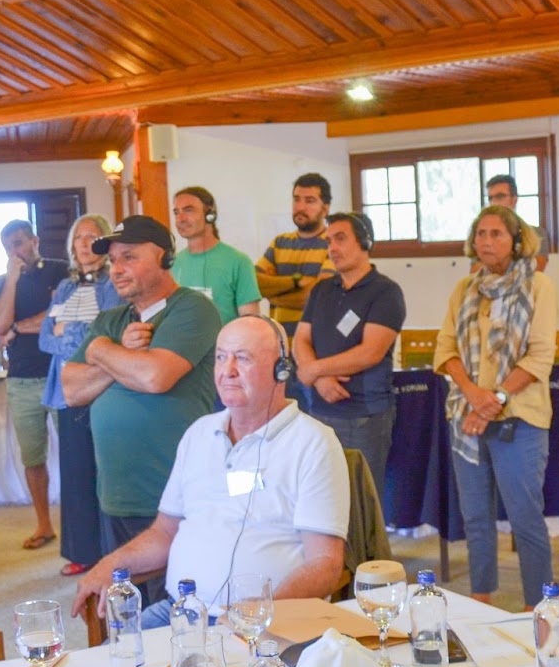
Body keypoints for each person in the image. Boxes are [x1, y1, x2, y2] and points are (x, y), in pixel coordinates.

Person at [71, 315, 348, 626]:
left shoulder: (313, 442)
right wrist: (108, 565)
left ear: (280, 370)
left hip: (267, 623)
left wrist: (256, 616)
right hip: (178, 612)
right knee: (115, 656)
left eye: (242, 358)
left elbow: (325, 564)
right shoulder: (199, 433)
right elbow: (164, 533)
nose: (227, 371)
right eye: (220, 357)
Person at [62, 215, 222, 554]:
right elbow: (71, 390)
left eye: (129, 257)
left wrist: (100, 350)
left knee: (175, 589)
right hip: (115, 496)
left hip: (171, 496)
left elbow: (154, 376)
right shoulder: (111, 320)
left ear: (165, 258)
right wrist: (120, 353)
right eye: (113, 260)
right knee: (122, 587)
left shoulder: (192, 308)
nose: (117, 269)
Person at [435, 205, 557, 608]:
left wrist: (496, 399)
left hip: (521, 417)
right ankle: (480, 603)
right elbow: (445, 350)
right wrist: (474, 395)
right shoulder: (464, 289)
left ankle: (537, 609)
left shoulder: (539, 285)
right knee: (475, 518)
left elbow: (540, 356)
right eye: (481, 234)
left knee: (526, 519)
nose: (486, 241)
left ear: (517, 240)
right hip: (466, 415)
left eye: (496, 234)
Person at [293, 211, 406, 489]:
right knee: (321, 495)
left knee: (360, 500)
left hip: (363, 416)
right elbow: (301, 340)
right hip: (318, 410)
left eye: (340, 239)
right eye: (329, 241)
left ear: (365, 242)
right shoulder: (321, 290)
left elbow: (370, 352)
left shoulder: (386, 292)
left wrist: (313, 370)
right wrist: (319, 380)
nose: (332, 248)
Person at [40, 214, 121, 577]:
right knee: (74, 472)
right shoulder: (63, 287)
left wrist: (68, 332)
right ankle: (82, 551)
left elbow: (106, 334)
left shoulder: (113, 283)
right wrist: (78, 334)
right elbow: (45, 339)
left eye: (92, 236)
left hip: (102, 386)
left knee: (105, 469)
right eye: (79, 237)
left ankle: (111, 550)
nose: (85, 243)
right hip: (65, 391)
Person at [0, 220, 70, 551]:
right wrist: (11, 279)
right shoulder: (2, 282)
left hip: (59, 374)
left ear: (35, 240)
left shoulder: (60, 271)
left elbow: (59, 319)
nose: (15, 251)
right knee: (32, 457)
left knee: (74, 454)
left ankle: (78, 526)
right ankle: (44, 525)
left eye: (19, 243)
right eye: (8, 247)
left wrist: (17, 328)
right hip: (21, 380)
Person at [256, 172, 336, 327]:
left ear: (325, 209)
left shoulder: (332, 244)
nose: (300, 207)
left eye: (309, 201)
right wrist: (295, 281)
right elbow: (255, 284)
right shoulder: (280, 243)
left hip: (316, 339)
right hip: (280, 338)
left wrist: (273, 295)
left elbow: (316, 297)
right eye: (296, 199)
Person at [172, 186, 261, 323]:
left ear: (210, 215)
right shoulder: (172, 263)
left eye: (188, 210)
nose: (181, 219)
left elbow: (250, 323)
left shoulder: (238, 262)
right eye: (176, 212)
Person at [485, 173, 550, 271]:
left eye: (500, 196)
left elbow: (537, 270)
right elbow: (476, 272)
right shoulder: (483, 235)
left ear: (514, 200)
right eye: (490, 198)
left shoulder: (536, 233)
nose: (494, 203)